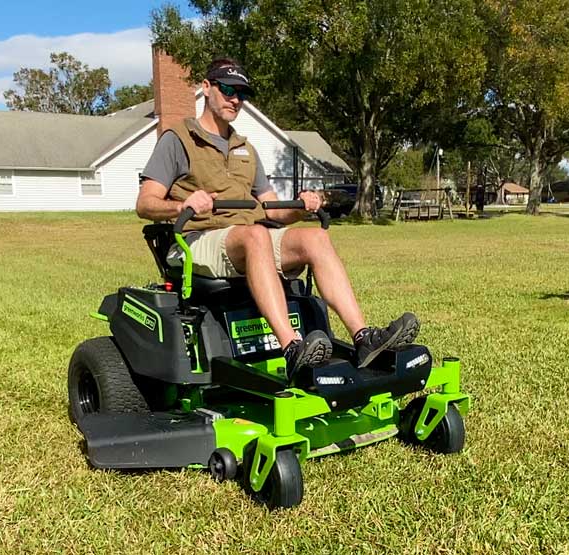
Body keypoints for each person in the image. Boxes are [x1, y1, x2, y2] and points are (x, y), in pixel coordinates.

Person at [136, 57, 419, 380]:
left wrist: (300, 207)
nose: (235, 99)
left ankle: (363, 337)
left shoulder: (245, 148)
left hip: (246, 237)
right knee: (255, 235)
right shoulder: (178, 140)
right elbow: (145, 203)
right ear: (206, 87)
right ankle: (292, 347)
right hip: (198, 237)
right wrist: (183, 204)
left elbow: (272, 210)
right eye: (228, 89)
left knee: (316, 238)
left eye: (242, 93)